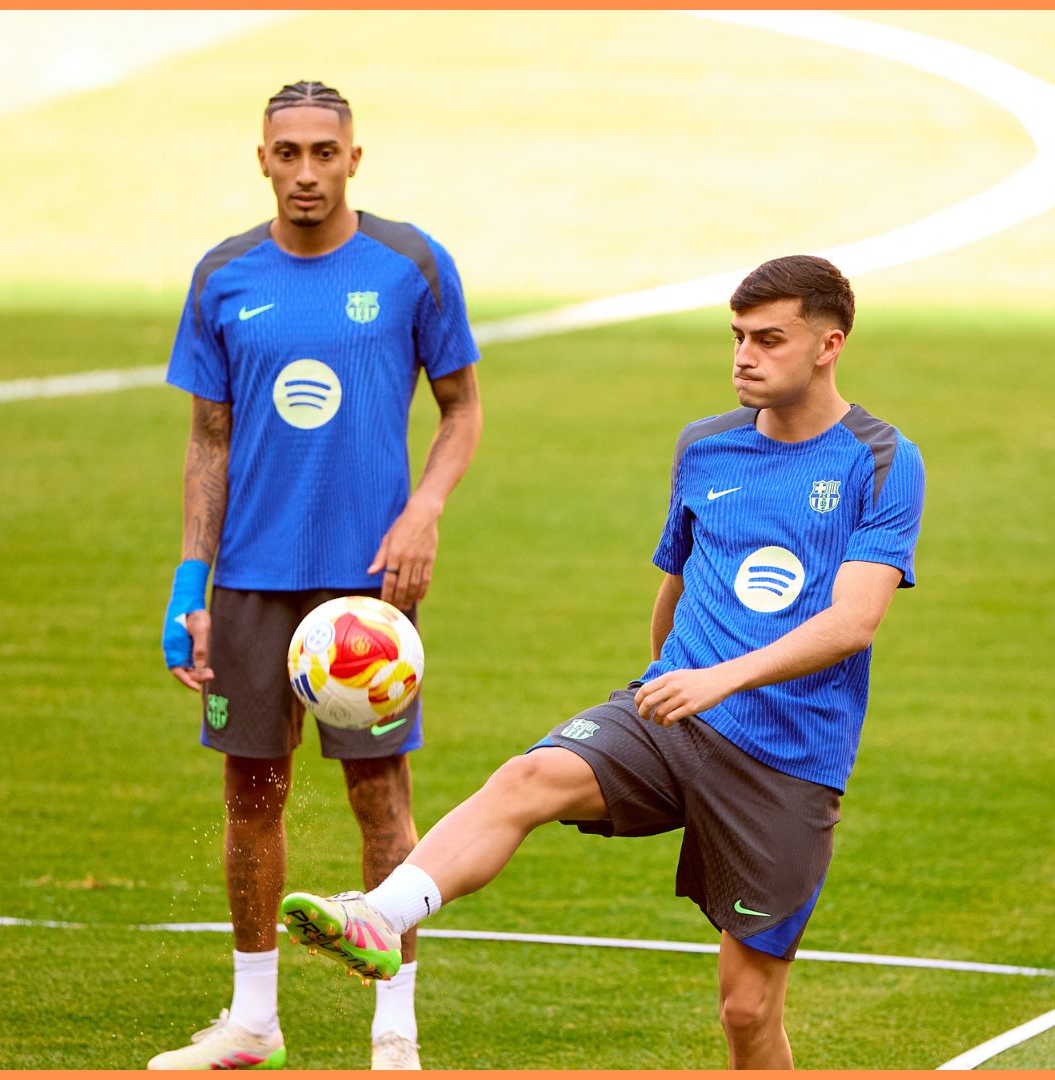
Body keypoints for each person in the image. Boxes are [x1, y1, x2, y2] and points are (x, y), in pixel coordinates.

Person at [280, 255, 923, 1069]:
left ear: (830, 345)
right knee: (526, 779)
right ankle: (383, 914)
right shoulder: (706, 447)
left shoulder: (881, 459)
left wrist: (720, 678)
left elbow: (853, 623)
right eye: (736, 337)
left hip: (787, 759)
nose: (743, 357)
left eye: (769, 340)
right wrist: (668, 677)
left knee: (746, 1009)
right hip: (672, 712)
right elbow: (678, 584)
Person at [148, 80, 483, 1072]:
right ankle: (253, 1021)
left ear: (353, 159)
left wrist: (423, 509)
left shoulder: (411, 267)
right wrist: (187, 586)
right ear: (262, 159)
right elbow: (209, 442)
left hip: (364, 595)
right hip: (251, 580)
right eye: (286, 153)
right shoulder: (223, 276)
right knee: (251, 797)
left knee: (380, 800)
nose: (305, 172)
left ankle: (396, 1030)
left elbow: (461, 410)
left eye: (322, 154)